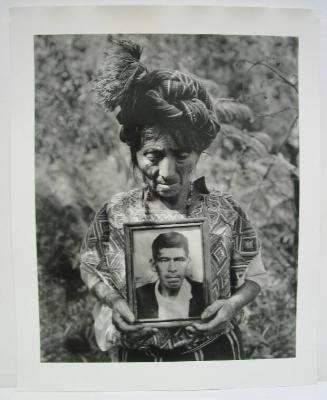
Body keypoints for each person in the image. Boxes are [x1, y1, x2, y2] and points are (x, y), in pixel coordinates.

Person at [80, 39, 267, 362]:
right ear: (135, 154)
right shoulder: (116, 212)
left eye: (181, 155)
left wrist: (231, 306)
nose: (166, 172)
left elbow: (254, 276)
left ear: (198, 152)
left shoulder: (225, 211)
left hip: (213, 355)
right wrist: (113, 302)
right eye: (153, 155)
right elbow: (90, 265)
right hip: (137, 360)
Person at [136, 231, 204, 320]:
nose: (172, 269)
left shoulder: (204, 292)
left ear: (188, 263)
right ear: (153, 265)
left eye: (179, 260)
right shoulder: (138, 295)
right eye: (164, 260)